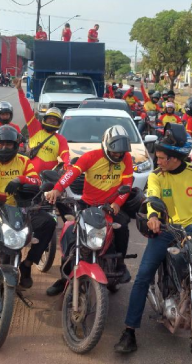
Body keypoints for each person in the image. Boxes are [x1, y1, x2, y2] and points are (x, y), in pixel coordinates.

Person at [114, 125, 192, 354]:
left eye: (161, 158)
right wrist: (154, 217)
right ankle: (129, 331)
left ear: (175, 158)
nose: (157, 161)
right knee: (142, 277)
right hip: (165, 231)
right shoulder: (157, 176)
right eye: (156, 157)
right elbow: (153, 198)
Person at [44, 125, 135, 296]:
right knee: (71, 234)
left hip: (110, 207)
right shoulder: (91, 157)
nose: (118, 155)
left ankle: (119, 264)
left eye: (121, 153)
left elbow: (127, 185)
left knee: (122, 227)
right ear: (105, 145)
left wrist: (117, 203)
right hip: (87, 206)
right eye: (114, 152)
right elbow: (71, 174)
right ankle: (64, 278)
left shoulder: (126, 159)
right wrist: (57, 189)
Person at [0, 125, 56, 289]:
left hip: (20, 208)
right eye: (1, 144)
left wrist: (20, 180)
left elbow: (36, 181)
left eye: (9, 144)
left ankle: (27, 265)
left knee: (48, 223)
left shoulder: (24, 161)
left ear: (15, 145)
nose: (5, 147)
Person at [15, 79, 69, 174]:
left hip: (48, 180)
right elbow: (26, 108)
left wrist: (67, 166)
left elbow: (65, 155)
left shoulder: (61, 139)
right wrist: (20, 90)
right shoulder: (35, 128)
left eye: (55, 119)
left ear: (58, 123)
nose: (52, 120)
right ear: (45, 118)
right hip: (29, 176)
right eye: (50, 118)